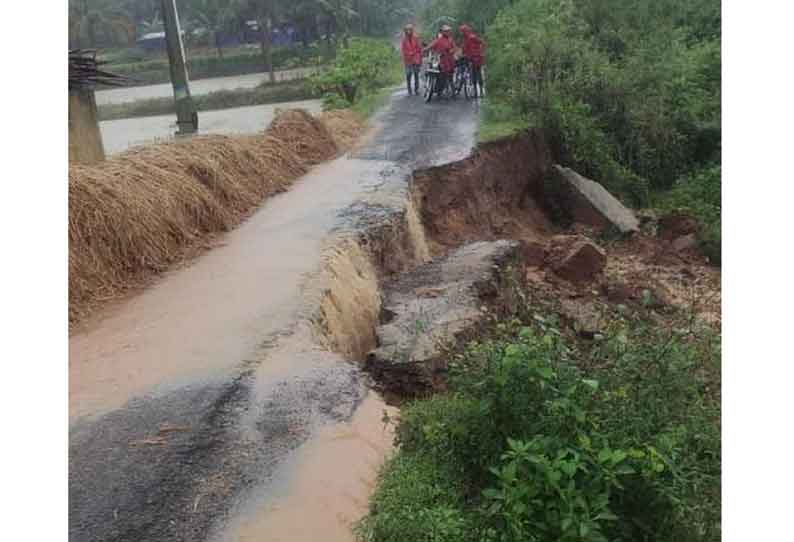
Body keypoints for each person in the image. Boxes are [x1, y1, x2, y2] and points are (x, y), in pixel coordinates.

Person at [427, 24, 456, 97]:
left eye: (448, 31)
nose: (447, 32)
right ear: (442, 32)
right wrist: (424, 50)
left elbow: (454, 48)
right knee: (441, 76)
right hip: (442, 61)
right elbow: (431, 46)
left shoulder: (450, 40)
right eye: (445, 31)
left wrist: (451, 51)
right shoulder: (439, 40)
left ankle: (453, 91)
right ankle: (439, 89)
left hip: (449, 61)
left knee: (450, 76)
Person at [459, 24, 486, 98]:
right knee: (474, 75)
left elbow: (482, 43)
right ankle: (477, 92)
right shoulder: (466, 38)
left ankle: (479, 92)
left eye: (462, 31)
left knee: (476, 75)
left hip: (476, 58)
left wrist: (481, 52)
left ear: (465, 31)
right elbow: (464, 48)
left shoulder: (472, 37)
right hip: (472, 58)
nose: (461, 33)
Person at [400, 24, 422, 96]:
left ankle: (416, 89)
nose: (408, 31)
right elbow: (403, 50)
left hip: (415, 59)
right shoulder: (404, 40)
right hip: (408, 60)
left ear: (412, 31)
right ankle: (409, 90)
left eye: (410, 30)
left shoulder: (416, 38)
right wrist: (408, 54)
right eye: (407, 30)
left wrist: (415, 53)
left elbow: (419, 48)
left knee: (416, 74)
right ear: (405, 31)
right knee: (408, 74)